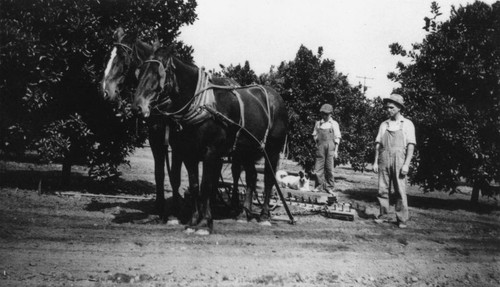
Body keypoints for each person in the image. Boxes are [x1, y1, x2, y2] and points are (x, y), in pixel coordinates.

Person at [373, 94, 416, 229]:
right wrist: (375, 162)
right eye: (387, 107)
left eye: (391, 107)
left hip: (399, 159)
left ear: (399, 108)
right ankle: (383, 215)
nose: (388, 110)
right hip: (384, 158)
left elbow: (411, 145)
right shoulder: (384, 124)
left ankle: (402, 219)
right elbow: (378, 144)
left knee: (400, 190)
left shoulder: (407, 124)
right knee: (382, 188)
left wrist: (406, 164)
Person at [312, 104, 341, 194]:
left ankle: (329, 187)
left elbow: (337, 138)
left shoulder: (334, 124)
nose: (324, 116)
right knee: (318, 167)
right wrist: (317, 141)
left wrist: (336, 151)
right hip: (320, 146)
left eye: (326, 114)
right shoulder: (318, 123)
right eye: (323, 114)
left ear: (330, 114)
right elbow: (314, 134)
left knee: (329, 168)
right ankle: (318, 186)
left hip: (331, 147)